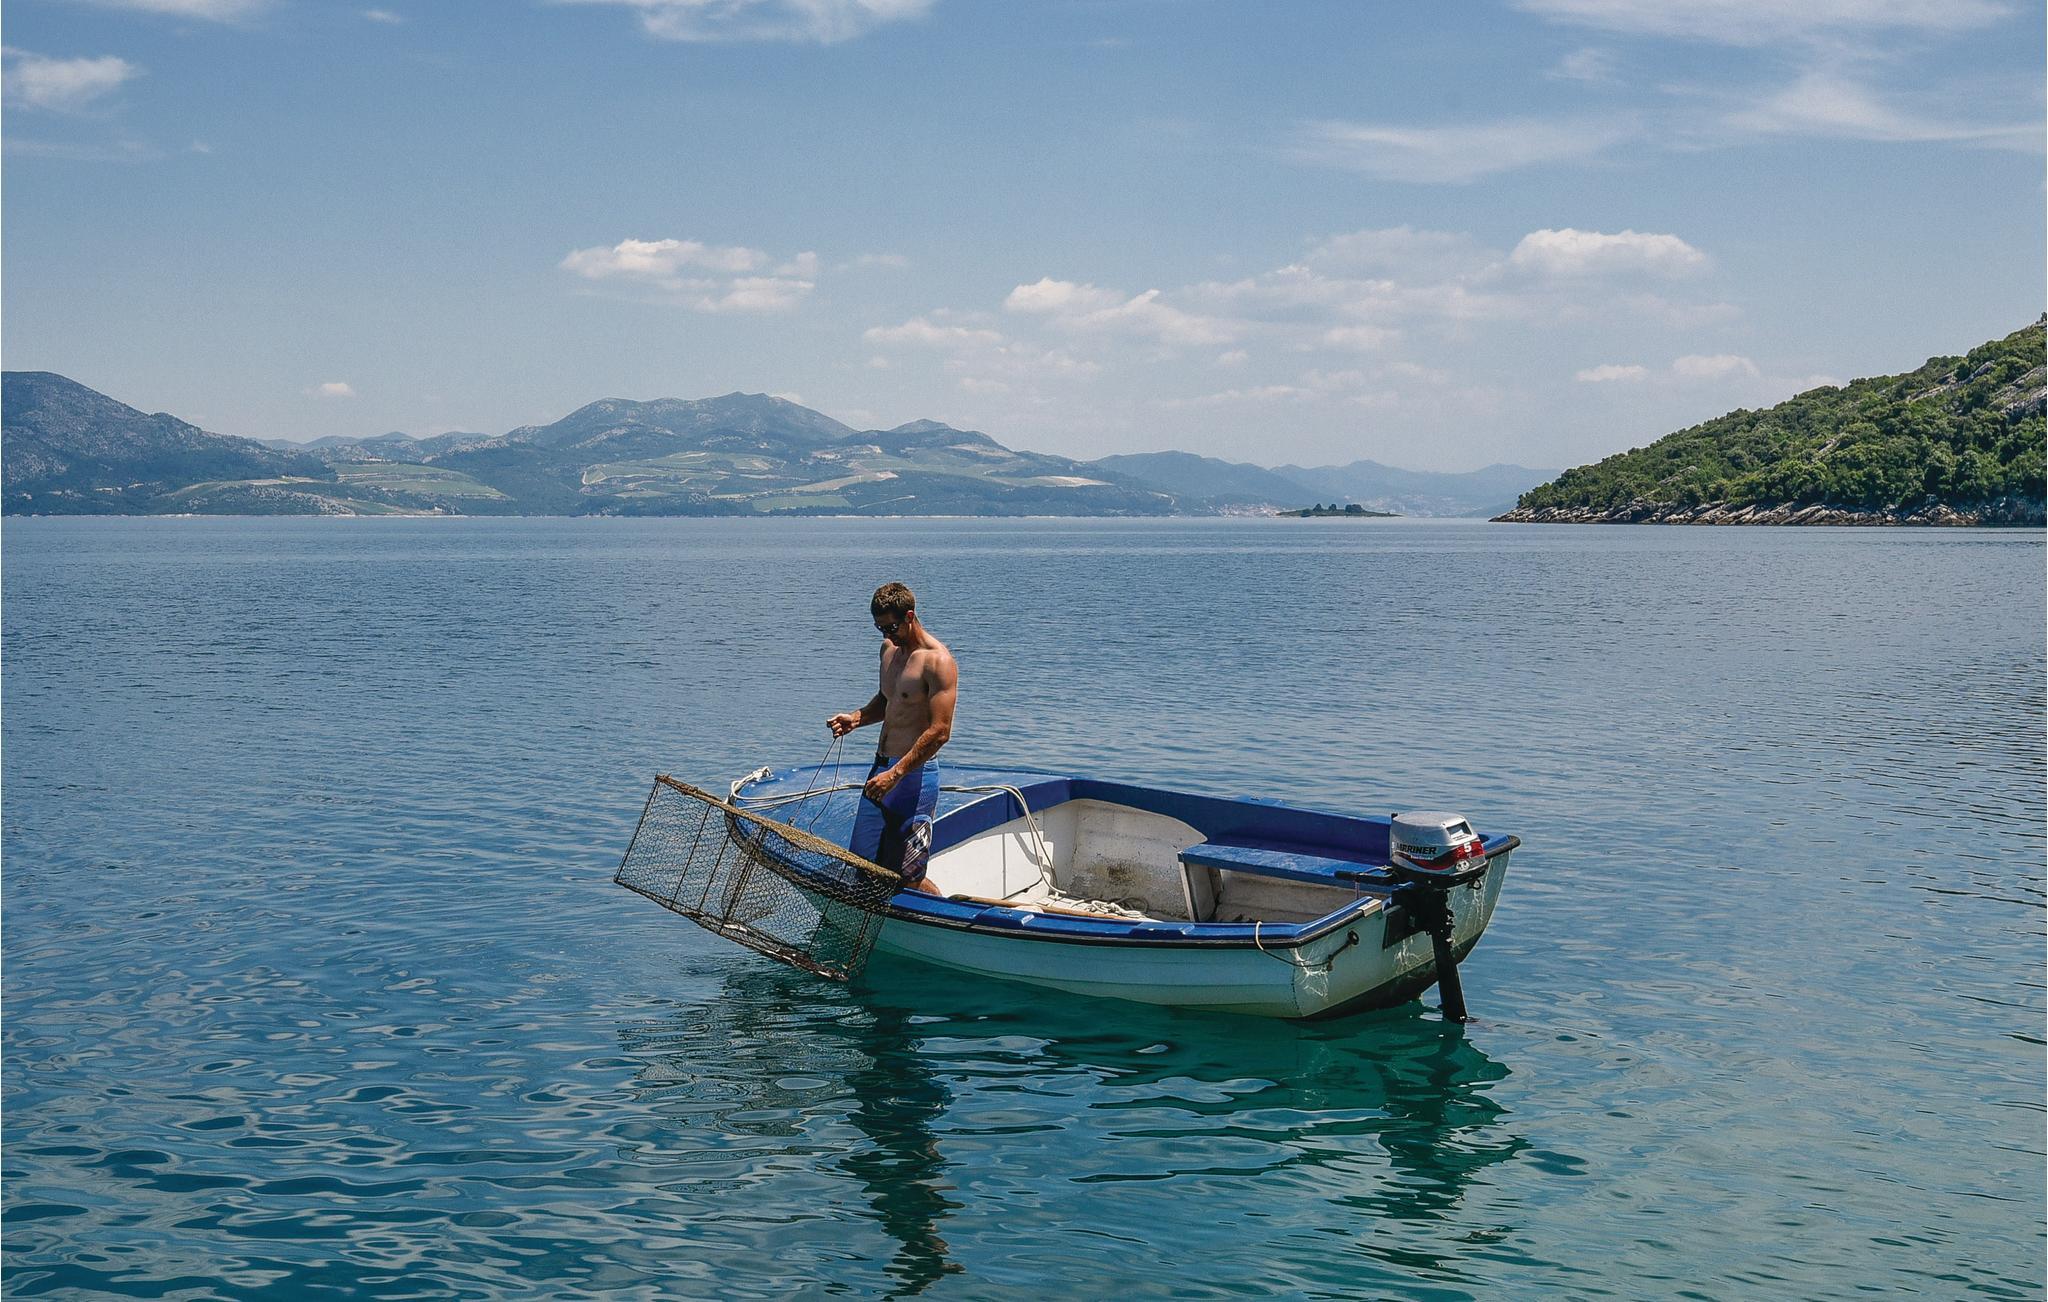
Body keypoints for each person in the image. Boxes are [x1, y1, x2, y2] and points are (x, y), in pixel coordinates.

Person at [827, 583, 958, 895]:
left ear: (909, 616)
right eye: (879, 628)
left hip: (913, 779)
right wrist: (856, 718)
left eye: (891, 627)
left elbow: (940, 731)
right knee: (862, 865)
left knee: (907, 876)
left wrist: (896, 773)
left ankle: (939, 911)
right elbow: (888, 701)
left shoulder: (937, 662)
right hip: (881, 771)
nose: (887, 634)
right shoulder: (888, 651)